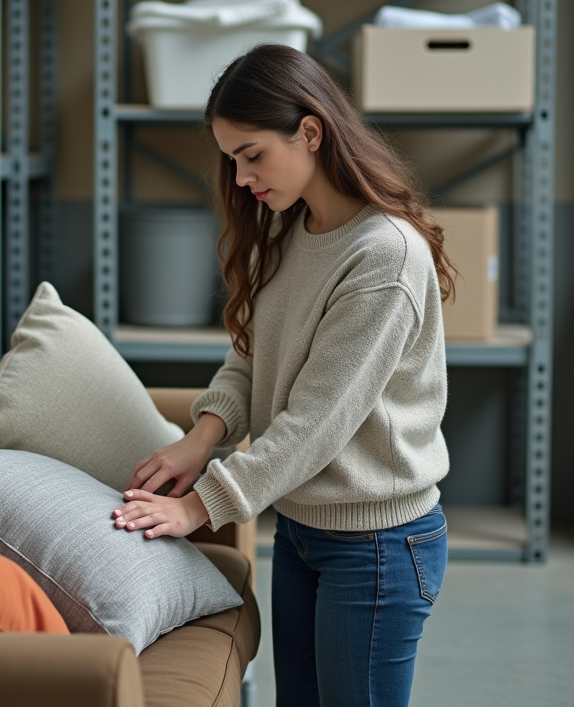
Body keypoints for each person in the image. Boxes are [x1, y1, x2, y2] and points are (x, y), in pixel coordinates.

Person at [111, 43, 454, 706]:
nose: (242, 179)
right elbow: (251, 356)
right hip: (300, 530)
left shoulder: (384, 256)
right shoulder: (286, 228)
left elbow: (316, 422)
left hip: (376, 546)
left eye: (252, 155)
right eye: (232, 161)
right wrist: (201, 438)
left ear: (311, 133)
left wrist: (197, 507)